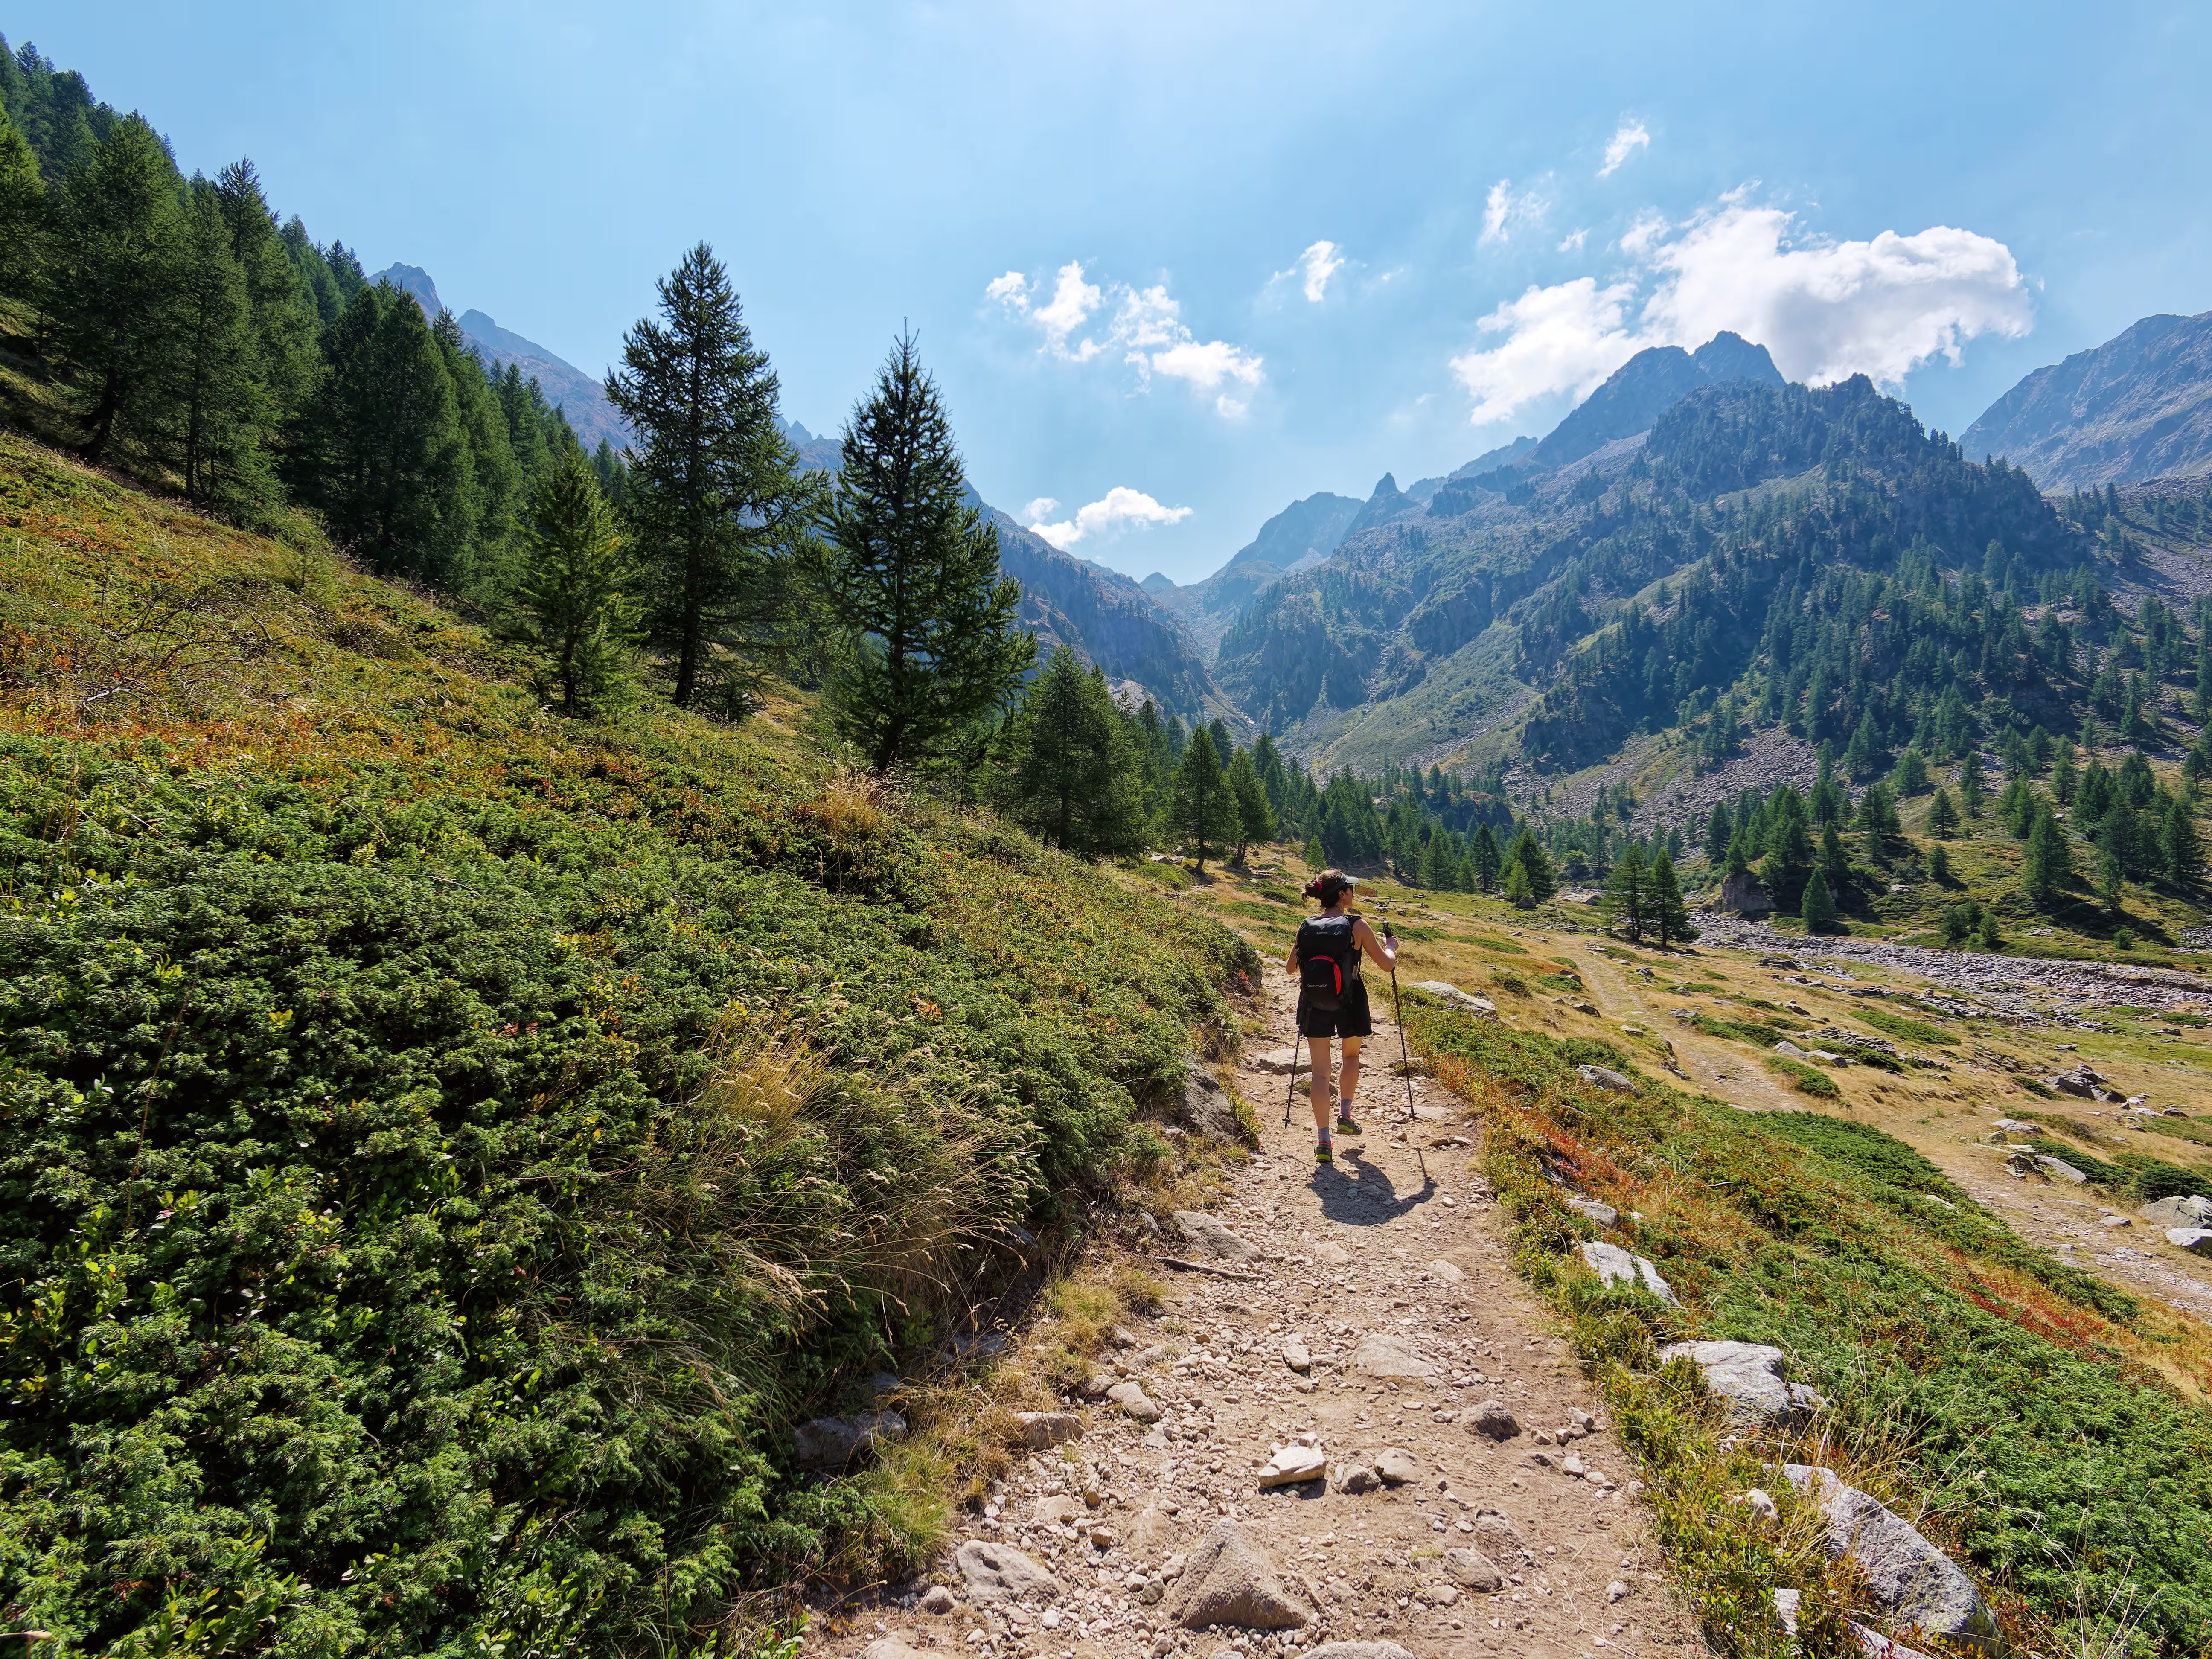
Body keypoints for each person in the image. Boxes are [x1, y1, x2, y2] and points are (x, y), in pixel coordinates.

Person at [1286, 868, 1397, 1163]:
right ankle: (1345, 1113)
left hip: (1314, 1003)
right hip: (1350, 1000)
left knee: (1321, 1073)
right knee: (1351, 1057)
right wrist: (1391, 947)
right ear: (1342, 894)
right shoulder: (1356, 926)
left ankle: (1324, 1141)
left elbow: (1290, 968)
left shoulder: (1306, 926)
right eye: (1351, 888)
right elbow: (1387, 966)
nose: (1353, 893)